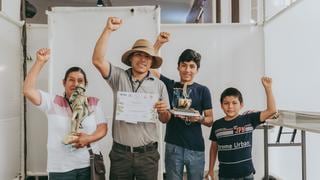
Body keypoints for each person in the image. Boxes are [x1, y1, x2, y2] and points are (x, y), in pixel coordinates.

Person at [92, 17, 171, 180]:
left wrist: (163, 111)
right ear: (131, 58)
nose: (143, 59)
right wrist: (108, 30)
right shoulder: (118, 77)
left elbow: (165, 119)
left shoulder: (159, 85)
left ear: (152, 61)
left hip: (148, 155)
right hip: (121, 155)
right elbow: (98, 60)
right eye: (139, 55)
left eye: (147, 57)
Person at [23, 48, 108, 180]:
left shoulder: (93, 103)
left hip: (88, 164)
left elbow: (102, 129)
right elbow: (28, 90)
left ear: (85, 84)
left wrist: (88, 139)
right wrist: (40, 62)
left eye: (80, 80)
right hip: (60, 168)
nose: (76, 84)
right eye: (71, 80)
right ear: (64, 83)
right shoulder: (52, 102)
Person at [152, 33, 214, 180]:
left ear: (197, 69)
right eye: (184, 65)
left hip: (196, 148)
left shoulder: (203, 90)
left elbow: (210, 120)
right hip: (173, 146)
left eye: (192, 66)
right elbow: (149, 69)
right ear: (178, 67)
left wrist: (198, 118)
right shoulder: (170, 85)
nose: (187, 70)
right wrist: (158, 44)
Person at [206, 77, 277, 180]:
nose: (230, 106)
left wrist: (268, 88)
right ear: (221, 106)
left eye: (234, 103)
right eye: (226, 103)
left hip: (246, 174)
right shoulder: (217, 125)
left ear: (241, 105)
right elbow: (213, 148)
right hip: (225, 175)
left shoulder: (249, 119)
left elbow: (272, 110)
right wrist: (211, 170)